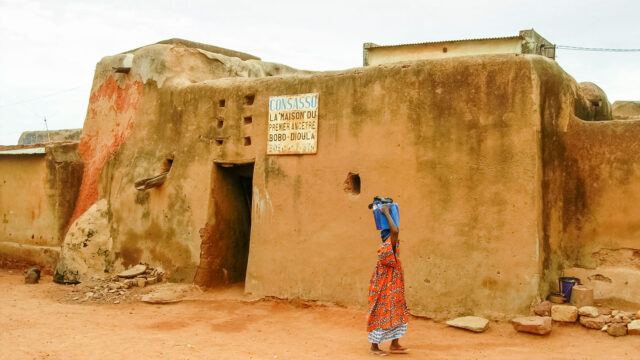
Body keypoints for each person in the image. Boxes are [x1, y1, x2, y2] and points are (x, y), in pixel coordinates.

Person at [367, 203, 409, 356]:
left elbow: (395, 232)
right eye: (394, 238)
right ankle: (374, 347)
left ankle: (395, 344)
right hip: (385, 287)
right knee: (381, 312)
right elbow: (395, 231)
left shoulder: (391, 246)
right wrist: (386, 213)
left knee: (397, 311)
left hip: (393, 285)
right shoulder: (388, 246)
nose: (397, 239)